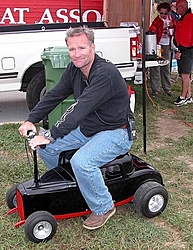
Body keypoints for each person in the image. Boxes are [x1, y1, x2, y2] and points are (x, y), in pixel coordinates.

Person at [19, 26, 134, 230]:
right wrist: (31, 119)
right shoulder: (75, 69)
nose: (76, 54)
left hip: (116, 132)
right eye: (72, 49)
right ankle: (75, 185)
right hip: (91, 127)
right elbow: (54, 95)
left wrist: (51, 134)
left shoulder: (104, 73)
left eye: (81, 48)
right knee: (49, 148)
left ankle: (103, 207)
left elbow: (81, 108)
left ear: (92, 47)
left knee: (82, 162)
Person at [149, 2, 176, 97]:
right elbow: (152, 29)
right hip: (158, 45)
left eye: (165, 13)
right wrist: (159, 29)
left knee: (166, 67)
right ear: (158, 12)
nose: (163, 15)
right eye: (161, 13)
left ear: (168, 12)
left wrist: (171, 30)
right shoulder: (157, 20)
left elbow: (175, 29)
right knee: (155, 67)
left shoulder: (171, 19)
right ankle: (155, 89)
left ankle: (167, 88)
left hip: (167, 45)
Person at [173, 0, 193, 106]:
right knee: (186, 75)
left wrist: (180, 50)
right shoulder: (184, 18)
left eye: (177, 8)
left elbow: (186, 38)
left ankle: (183, 97)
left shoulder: (188, 18)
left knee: (184, 75)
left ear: (182, 7)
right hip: (186, 49)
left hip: (186, 50)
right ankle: (188, 96)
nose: (176, 10)